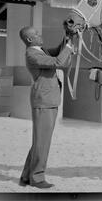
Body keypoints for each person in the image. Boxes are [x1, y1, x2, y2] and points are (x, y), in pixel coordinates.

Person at [19, 26, 74, 189]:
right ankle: (37, 178)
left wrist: (67, 38)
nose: (40, 34)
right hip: (44, 101)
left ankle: (27, 176)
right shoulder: (32, 54)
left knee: (40, 141)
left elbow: (57, 51)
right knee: (42, 141)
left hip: (48, 100)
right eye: (36, 34)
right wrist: (69, 49)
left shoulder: (40, 51)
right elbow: (58, 61)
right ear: (30, 39)